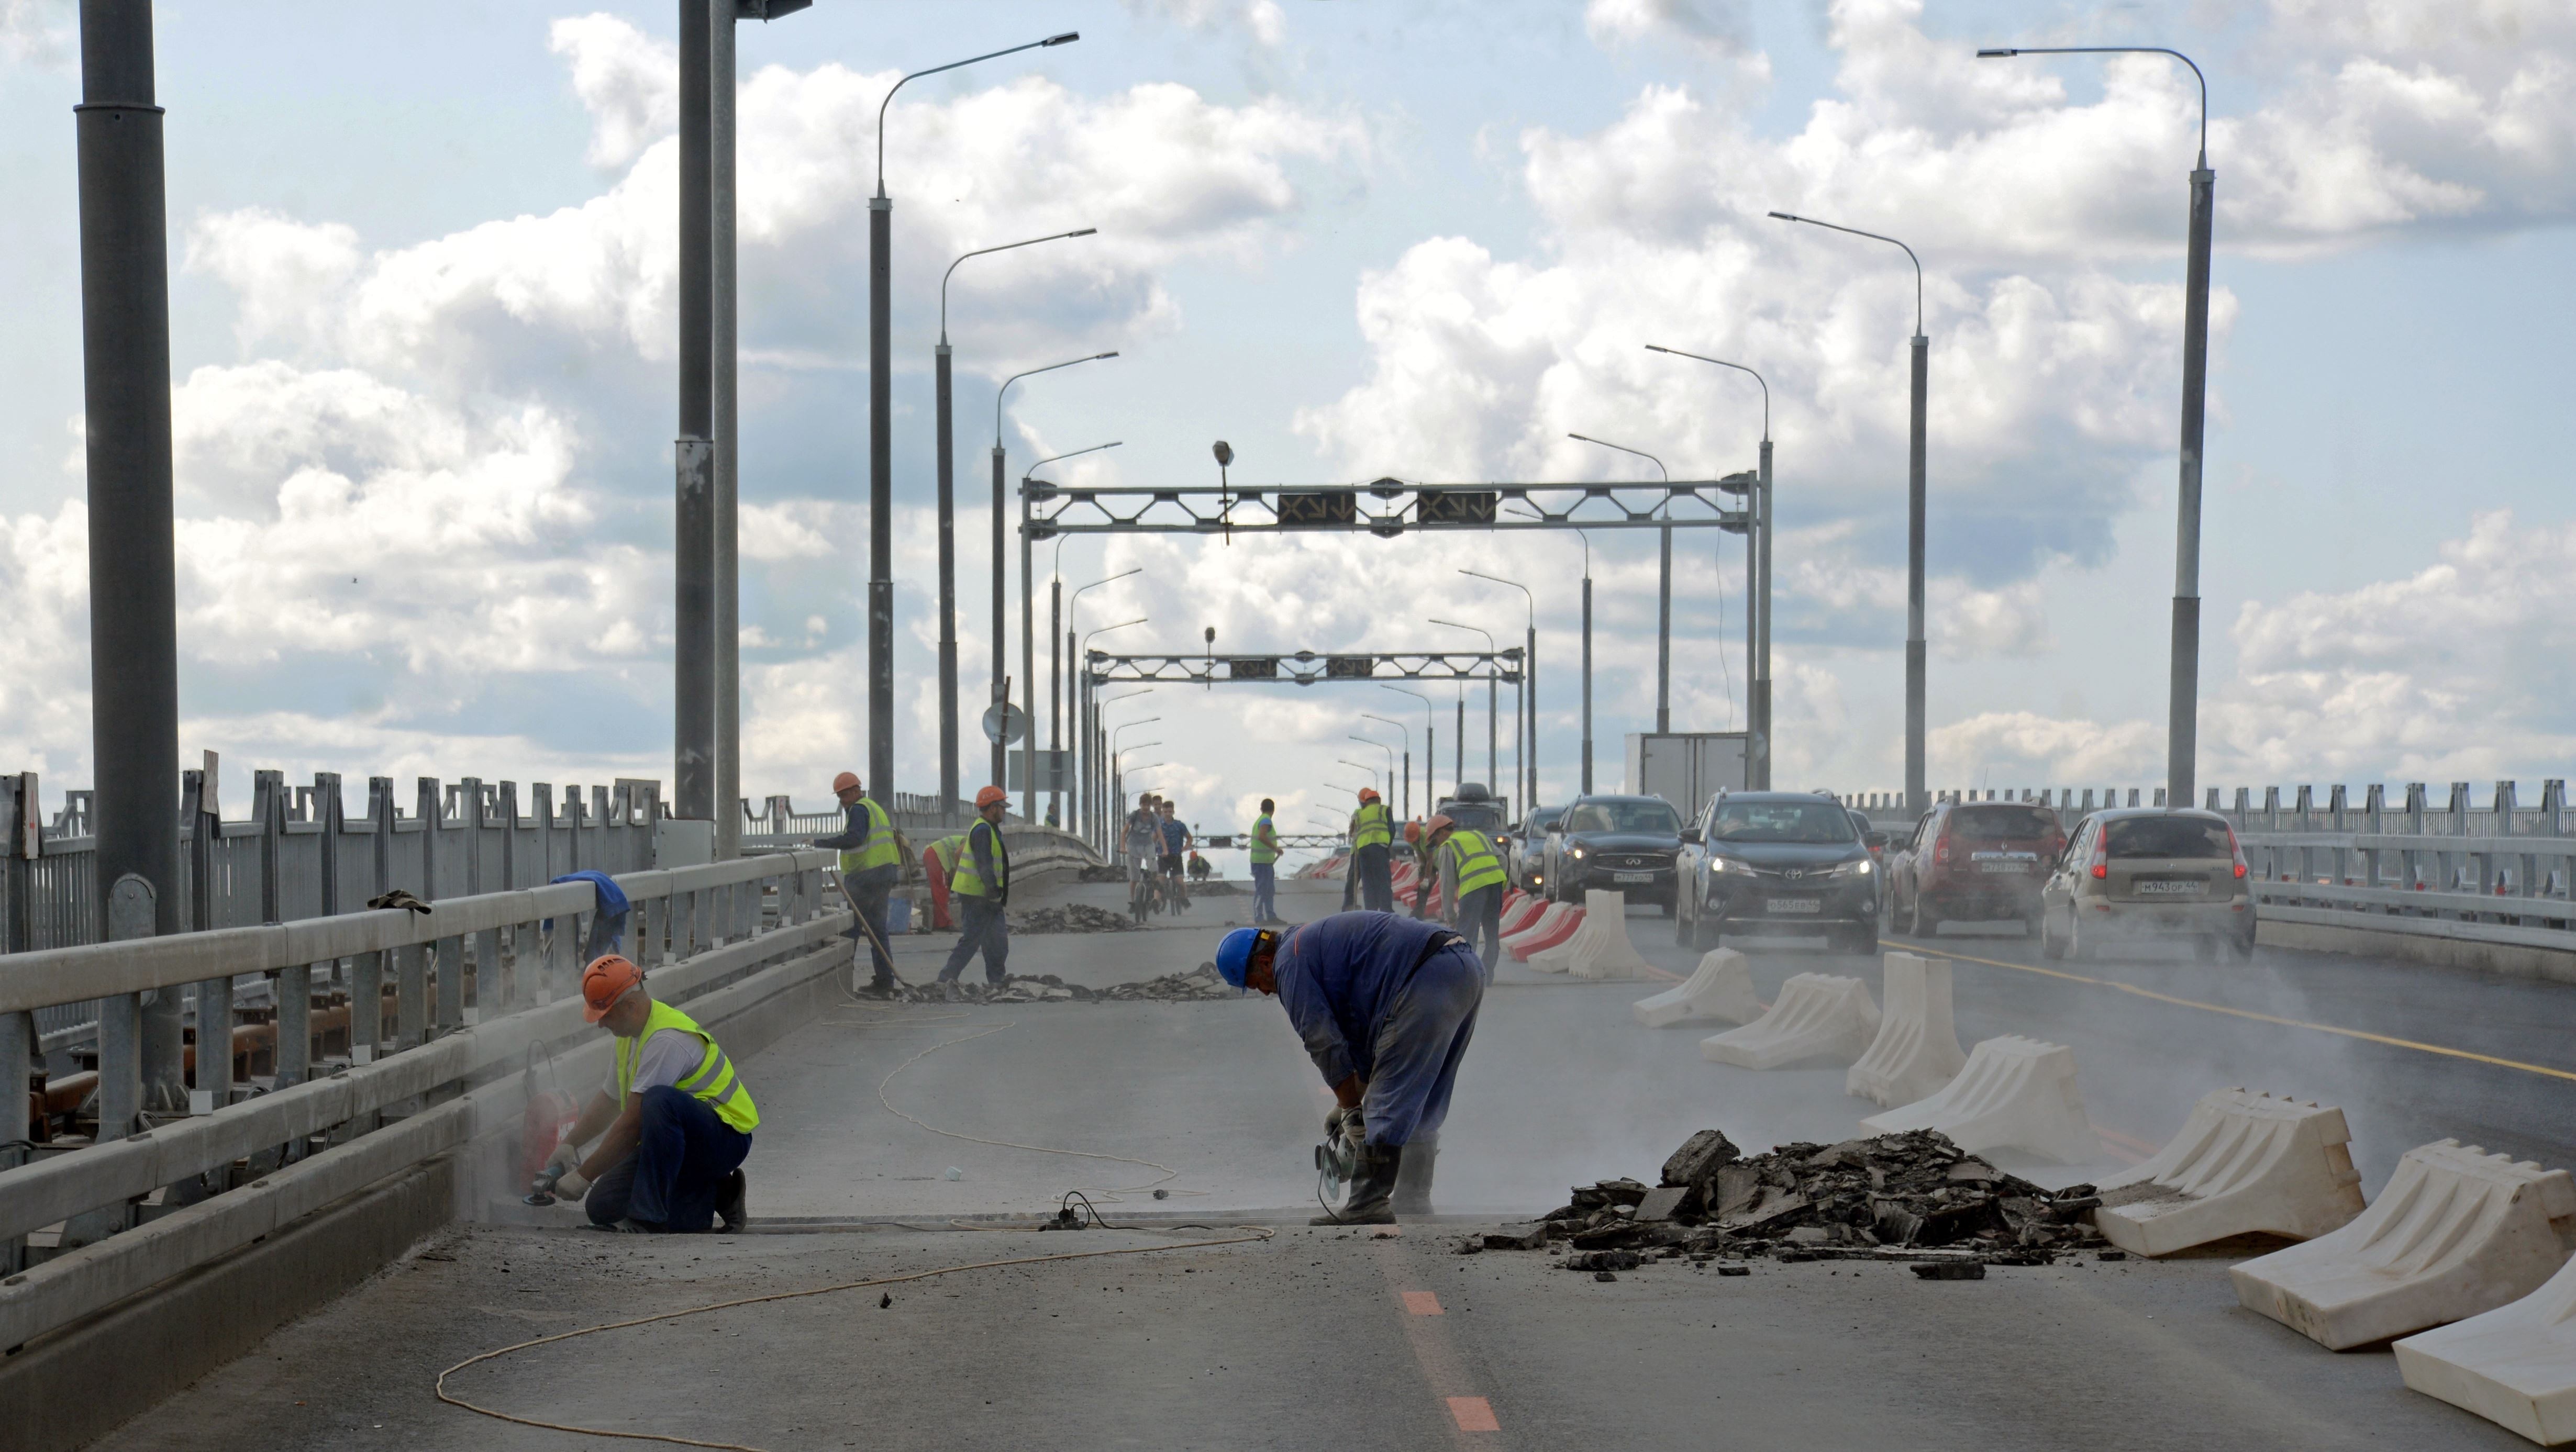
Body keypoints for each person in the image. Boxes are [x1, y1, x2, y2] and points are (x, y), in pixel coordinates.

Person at [1214, 913, 1482, 1222]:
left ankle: (1368, 1202)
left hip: (1425, 976)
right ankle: (1413, 1197)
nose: (1264, 992)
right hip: (1464, 968)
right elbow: (1371, 1045)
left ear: (1264, 964)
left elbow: (1322, 1041)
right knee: (1423, 1096)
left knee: (1388, 1102)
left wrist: (1353, 1111)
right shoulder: (1312, 946)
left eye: (1256, 984)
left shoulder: (1289, 963)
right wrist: (1346, 1103)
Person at [541, 954, 756, 1233]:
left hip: (724, 1138)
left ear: (630, 1006)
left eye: (605, 1016)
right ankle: (720, 1192)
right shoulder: (629, 1038)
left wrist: (583, 1176)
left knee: (659, 1101)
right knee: (602, 1206)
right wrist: (570, 1144)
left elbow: (632, 1126)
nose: (600, 1025)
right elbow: (610, 1100)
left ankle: (648, 1218)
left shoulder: (665, 1039)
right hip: (683, 1143)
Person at [813, 770, 900, 995]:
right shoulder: (872, 807)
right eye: (839, 797)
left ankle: (839, 984)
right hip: (882, 873)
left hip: (867, 876)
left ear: (855, 792)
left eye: (843, 796)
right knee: (877, 930)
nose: (842, 802)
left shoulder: (859, 809)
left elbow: (855, 838)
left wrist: (821, 843)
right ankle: (885, 982)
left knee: (851, 928)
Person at [938, 786, 1013, 997]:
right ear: (992, 808)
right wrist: (992, 888)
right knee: (972, 941)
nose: (1004, 811)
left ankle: (997, 981)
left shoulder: (989, 828)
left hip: (988, 897)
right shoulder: (982, 831)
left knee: (997, 942)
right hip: (978, 896)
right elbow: (984, 863)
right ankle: (945, 980)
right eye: (1001, 807)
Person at [1426, 813, 1509, 971]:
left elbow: (1447, 884)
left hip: (1473, 889)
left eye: (1435, 841)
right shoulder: (1478, 835)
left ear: (1441, 833)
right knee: (1492, 934)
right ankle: (1487, 974)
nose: (1436, 845)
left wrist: (1449, 916)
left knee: (1467, 936)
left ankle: (1467, 975)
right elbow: (1503, 859)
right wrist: (1498, 882)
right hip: (1495, 884)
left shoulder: (1448, 846)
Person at [1348, 788, 1394, 914]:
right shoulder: (1384, 809)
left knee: (1368, 882)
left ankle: (1371, 911)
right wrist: (1388, 845)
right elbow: (1392, 830)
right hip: (1379, 848)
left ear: (1366, 802)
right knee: (1383, 880)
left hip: (1363, 850)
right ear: (1379, 800)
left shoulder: (1360, 813)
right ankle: (1386, 910)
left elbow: (1353, 833)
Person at [1247, 798, 1283, 924]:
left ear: (1261, 809)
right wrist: (1276, 849)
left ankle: (1270, 915)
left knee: (1269, 890)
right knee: (1262, 890)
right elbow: (1262, 837)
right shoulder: (1266, 820)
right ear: (1273, 809)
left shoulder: (1261, 820)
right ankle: (1259, 917)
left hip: (1265, 862)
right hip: (1261, 862)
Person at [1157, 799, 1193, 912]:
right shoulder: (1159, 826)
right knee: (1160, 880)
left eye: (1170, 811)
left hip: (1176, 857)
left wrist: (1185, 847)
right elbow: (1152, 839)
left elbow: (1189, 838)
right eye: (1166, 812)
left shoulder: (1179, 825)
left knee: (1180, 882)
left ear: (1173, 812)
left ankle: (1183, 898)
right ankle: (1157, 901)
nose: (1168, 814)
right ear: (1163, 812)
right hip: (1163, 857)